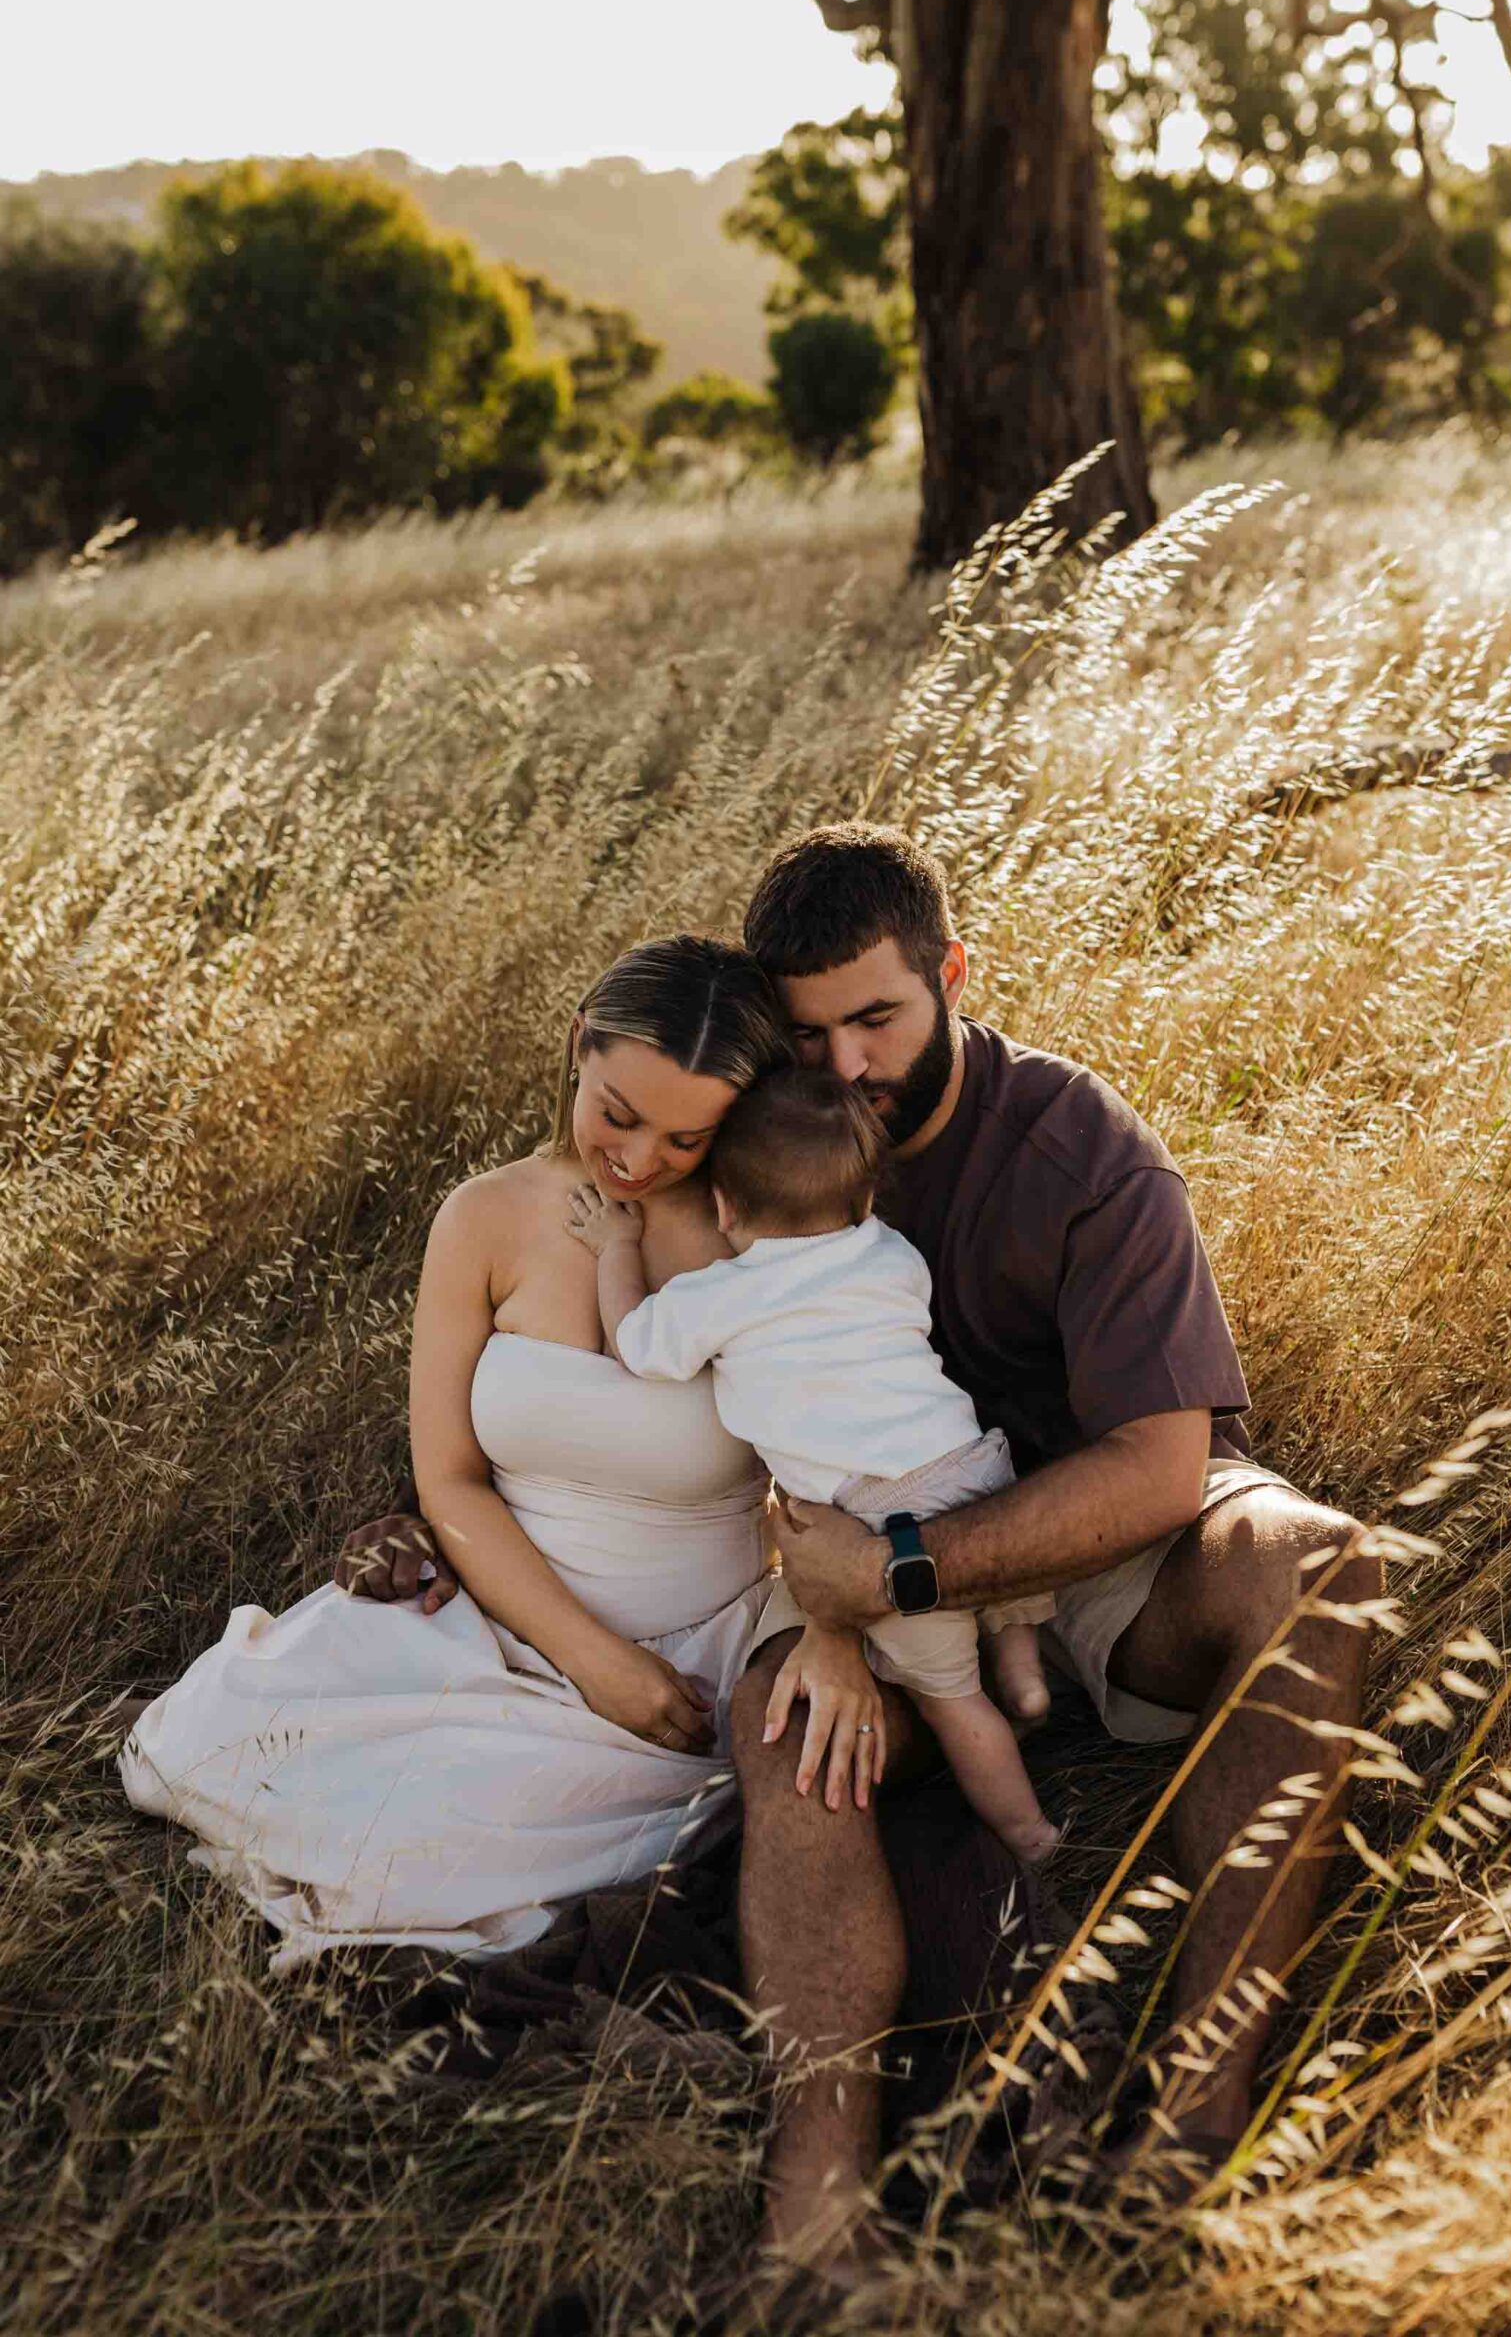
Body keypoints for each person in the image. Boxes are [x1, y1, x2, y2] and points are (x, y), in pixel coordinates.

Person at [339, 827, 1379, 2277]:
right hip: (836, 1559)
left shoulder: (1074, 1147)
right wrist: (823, 1613)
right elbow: (718, 1434)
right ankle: (814, 2216)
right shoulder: (744, 1155)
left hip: (1077, 1538)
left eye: (875, 1019)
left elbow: (1159, 1464)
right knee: (791, 1733)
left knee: (1317, 1563)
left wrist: (899, 1574)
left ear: (949, 976)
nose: (838, 1068)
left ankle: (1197, 2112)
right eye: (807, 1032)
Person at [121, 936, 887, 1969]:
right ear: (579, 1044)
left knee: (443, 1847)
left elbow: (838, 1459)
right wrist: (588, 1657)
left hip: (689, 1656)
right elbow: (449, 1478)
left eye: (685, 1136)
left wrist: (712, 1656)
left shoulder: (760, 1235)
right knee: (214, 1736)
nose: (638, 1158)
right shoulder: (484, 1215)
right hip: (497, 1611)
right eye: (616, 1113)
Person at [565, 1064, 1058, 1865]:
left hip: (883, 1514)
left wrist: (615, 1246)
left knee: (953, 1702)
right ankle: (1026, 1668)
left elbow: (637, 1344)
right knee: (995, 1594)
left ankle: (1027, 1834)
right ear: (863, 1202)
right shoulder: (890, 1253)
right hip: (971, 1463)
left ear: (724, 1207)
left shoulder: (724, 1294)